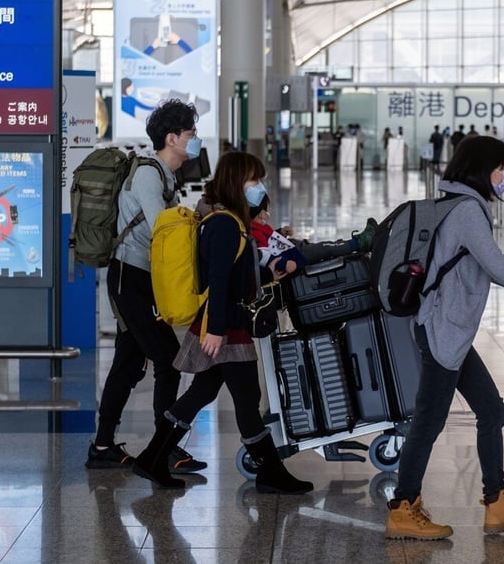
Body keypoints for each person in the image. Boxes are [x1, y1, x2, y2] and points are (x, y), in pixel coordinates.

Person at [384, 135, 504, 540]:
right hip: (443, 331)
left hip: (452, 331)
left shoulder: (459, 203)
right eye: (501, 168)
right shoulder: (467, 210)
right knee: (428, 422)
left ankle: (497, 503)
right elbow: (496, 266)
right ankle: (402, 508)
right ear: (484, 170)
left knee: (491, 411)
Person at [133, 151, 314, 494]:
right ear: (236, 183)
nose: (259, 187)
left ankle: (153, 457)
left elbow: (235, 272)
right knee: (247, 396)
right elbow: (217, 279)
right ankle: (270, 472)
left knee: (202, 391)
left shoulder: (230, 221)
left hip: (228, 319)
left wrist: (267, 272)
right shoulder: (224, 224)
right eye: (253, 181)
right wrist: (214, 329)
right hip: (225, 324)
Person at [86, 99, 206, 475]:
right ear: (172, 138)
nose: (195, 140)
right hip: (130, 279)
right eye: (190, 134)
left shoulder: (166, 176)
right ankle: (163, 448)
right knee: (168, 361)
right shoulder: (149, 176)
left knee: (126, 362)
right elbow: (165, 234)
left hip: (141, 278)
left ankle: (103, 446)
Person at [249, 193, 376, 274]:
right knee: (326, 248)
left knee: (327, 246)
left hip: (295, 249)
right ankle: (360, 243)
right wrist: (285, 264)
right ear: (259, 212)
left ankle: (353, 244)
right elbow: (264, 257)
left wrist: (280, 233)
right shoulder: (255, 231)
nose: (267, 215)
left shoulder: (258, 227)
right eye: (266, 210)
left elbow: (270, 240)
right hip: (296, 255)